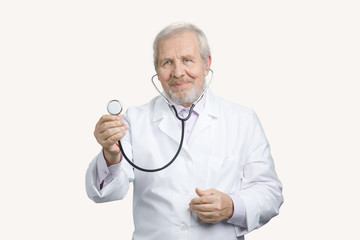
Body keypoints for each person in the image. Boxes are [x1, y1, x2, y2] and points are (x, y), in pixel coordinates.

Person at [86, 22, 283, 240]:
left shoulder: (243, 120)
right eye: (167, 63)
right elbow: (107, 194)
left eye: (187, 60)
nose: (178, 73)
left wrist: (232, 206)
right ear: (157, 71)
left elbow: (270, 193)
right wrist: (111, 154)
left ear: (206, 64)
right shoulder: (133, 120)